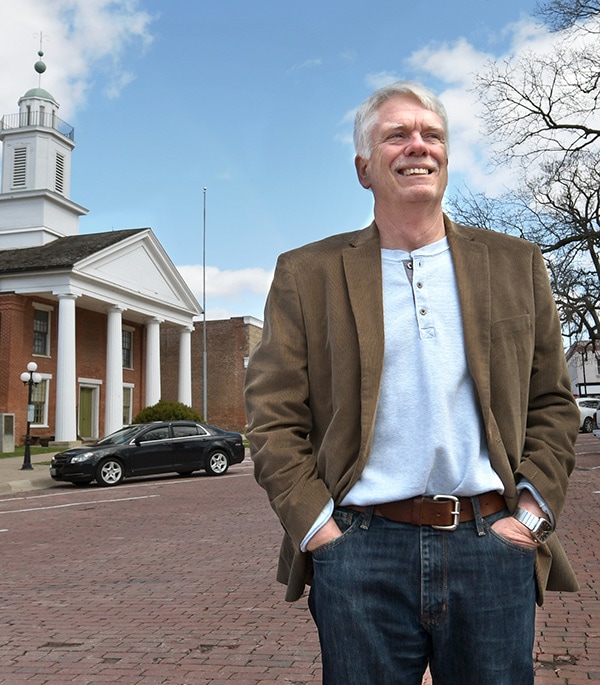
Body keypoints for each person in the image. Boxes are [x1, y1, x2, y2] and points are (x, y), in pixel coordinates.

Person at [244, 80, 580, 684]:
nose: (417, 146)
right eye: (396, 135)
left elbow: (553, 403)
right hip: (360, 550)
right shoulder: (306, 273)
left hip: (491, 543)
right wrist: (320, 530)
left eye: (432, 135)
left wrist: (527, 517)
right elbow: (273, 415)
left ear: (446, 156)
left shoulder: (515, 263)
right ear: (363, 167)